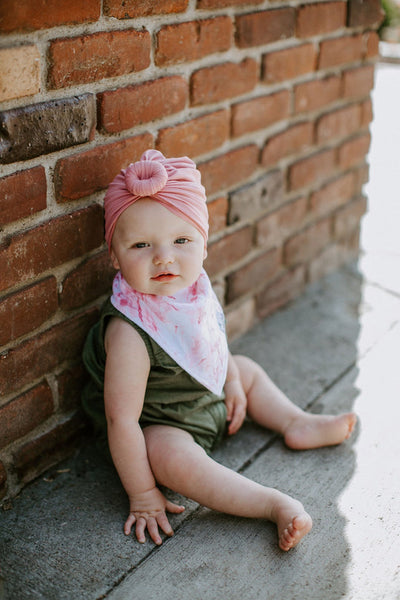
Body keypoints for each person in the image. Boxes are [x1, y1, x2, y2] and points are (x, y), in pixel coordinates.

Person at [82, 150, 357, 552]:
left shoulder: (194, 290)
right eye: (141, 245)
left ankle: (296, 422)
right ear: (114, 255)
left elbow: (214, 339)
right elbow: (120, 419)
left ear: (203, 243)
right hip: (164, 424)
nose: (164, 257)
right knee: (166, 454)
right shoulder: (128, 328)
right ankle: (271, 504)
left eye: (181, 240)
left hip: (210, 398)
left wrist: (229, 379)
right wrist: (142, 494)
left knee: (245, 367)